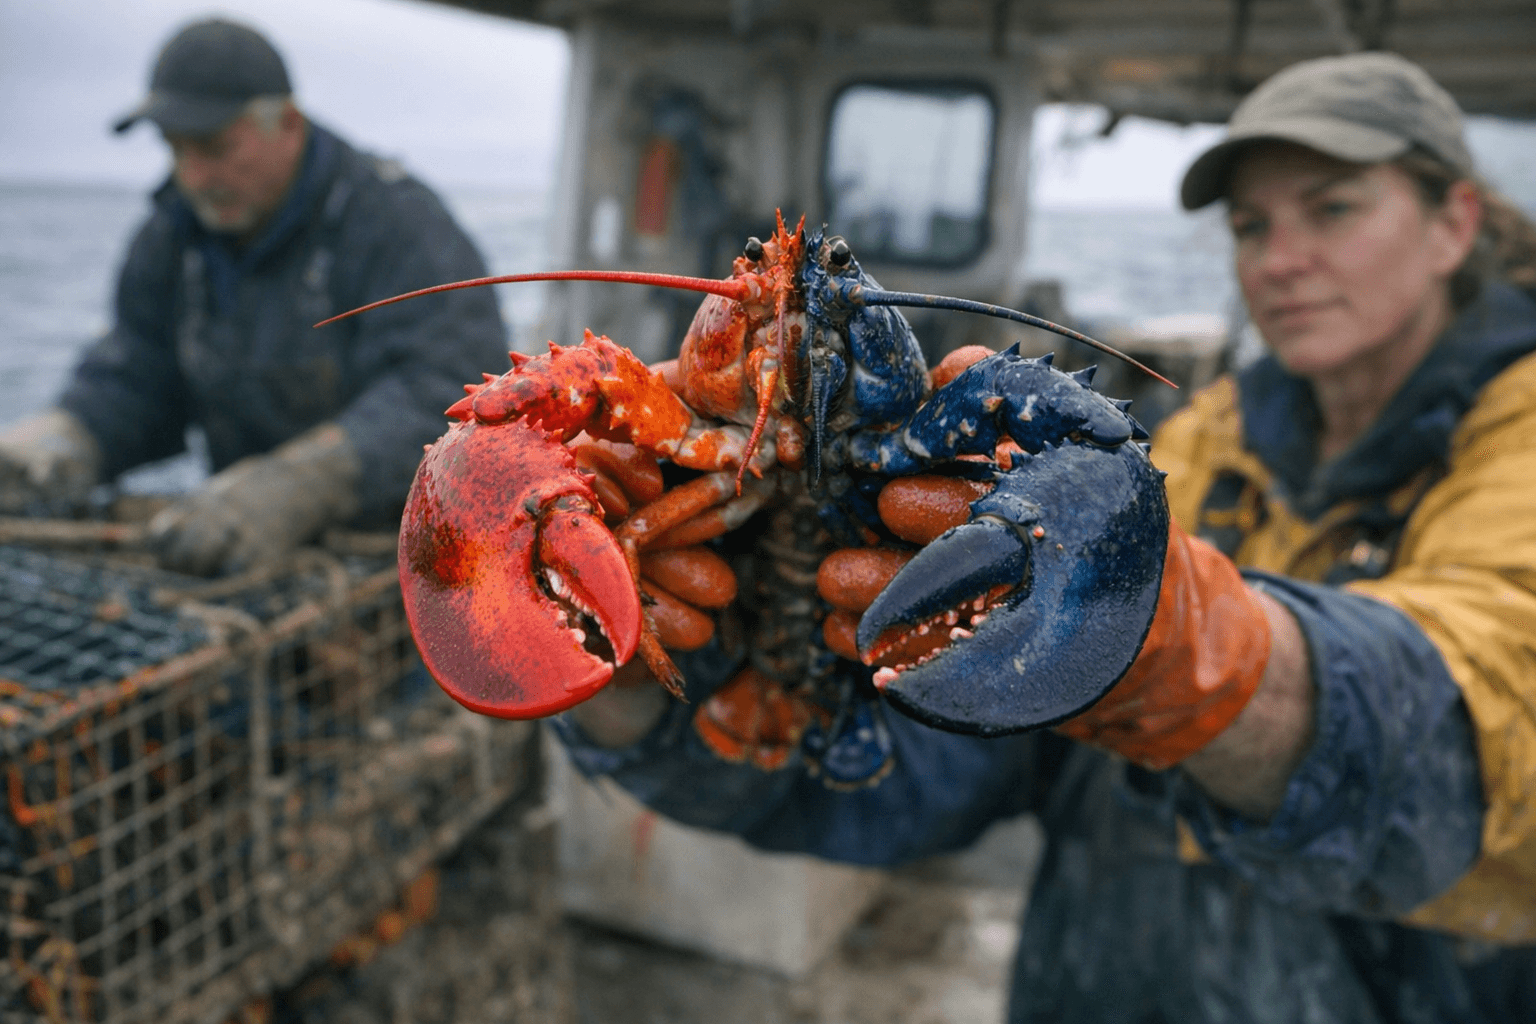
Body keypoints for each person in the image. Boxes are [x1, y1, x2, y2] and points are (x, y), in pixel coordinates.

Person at [551, 52, 1536, 1021]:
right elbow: (934, 772)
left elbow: (1485, 721)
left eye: (1333, 209)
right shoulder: (1204, 442)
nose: (1281, 258)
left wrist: (1187, 650)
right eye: (1251, 225)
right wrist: (636, 708)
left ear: (1453, 223)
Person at [0, 18, 507, 575]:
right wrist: (66, 438)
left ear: (287, 123)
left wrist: (308, 480)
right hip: (248, 548)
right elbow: (141, 371)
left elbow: (450, 387)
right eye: (175, 150)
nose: (193, 176)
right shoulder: (173, 234)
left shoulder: (396, 222)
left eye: (215, 148)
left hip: (406, 558)